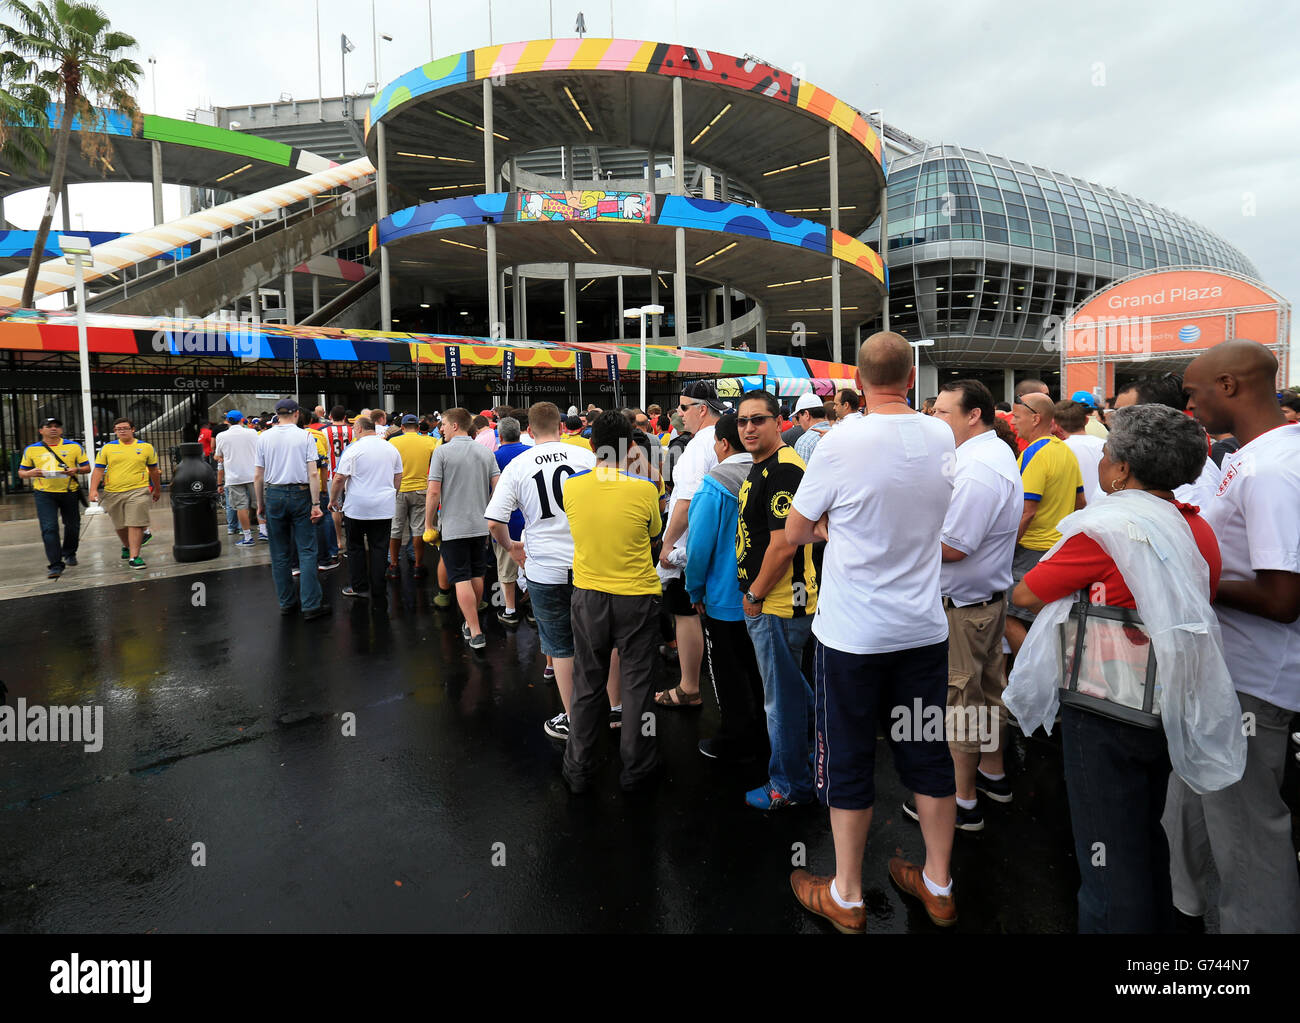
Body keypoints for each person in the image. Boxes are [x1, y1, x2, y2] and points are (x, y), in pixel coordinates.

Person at [1006, 403, 1244, 933]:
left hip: (1105, 703)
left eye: (1108, 454)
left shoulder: (1107, 530)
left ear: (1121, 470)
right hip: (1169, 702)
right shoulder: (1196, 528)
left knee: (1107, 853)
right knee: (1142, 831)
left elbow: (1025, 591)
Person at [786, 332, 957, 934]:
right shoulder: (941, 433)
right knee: (928, 751)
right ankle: (939, 885)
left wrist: (840, 529)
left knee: (849, 756)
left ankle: (848, 893)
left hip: (853, 635)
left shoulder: (840, 440)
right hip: (922, 629)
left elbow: (797, 526)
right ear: (913, 379)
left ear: (858, 382)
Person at [1164, 339, 1300, 933]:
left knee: (1247, 842)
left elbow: (1283, 597)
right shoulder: (1254, 458)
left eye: (1192, 393)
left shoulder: (1272, 470)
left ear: (1229, 386)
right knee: (1190, 817)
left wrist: (1189, 578)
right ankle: (1201, 918)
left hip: (1252, 686)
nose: (1189, 407)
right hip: (1224, 676)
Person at [927, 379, 1023, 831]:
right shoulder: (984, 455)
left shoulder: (979, 467)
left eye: (944, 412)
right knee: (985, 693)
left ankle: (963, 803)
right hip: (981, 601)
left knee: (962, 702)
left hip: (965, 606)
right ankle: (993, 774)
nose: (934, 418)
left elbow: (953, 546)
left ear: (974, 415)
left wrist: (899, 538)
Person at [561, 411, 663, 793]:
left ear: (591, 445)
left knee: (587, 683)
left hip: (588, 596)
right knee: (637, 686)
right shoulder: (644, 489)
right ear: (632, 445)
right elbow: (654, 532)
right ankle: (637, 768)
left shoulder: (572, 487)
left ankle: (578, 767)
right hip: (637, 597)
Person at [486, 402, 597, 738]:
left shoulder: (518, 465)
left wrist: (511, 547)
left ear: (529, 432)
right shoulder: (587, 458)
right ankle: (608, 705)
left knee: (560, 645)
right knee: (592, 639)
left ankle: (573, 719)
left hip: (545, 567)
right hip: (588, 563)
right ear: (562, 428)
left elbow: (494, 521)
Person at [733, 388, 820, 810]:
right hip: (776, 601)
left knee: (779, 701)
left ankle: (788, 787)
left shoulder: (784, 468)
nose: (748, 427)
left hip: (779, 603)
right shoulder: (765, 465)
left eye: (758, 419)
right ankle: (814, 757)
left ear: (778, 420)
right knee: (791, 690)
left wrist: (754, 594)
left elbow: (783, 545)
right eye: (743, 421)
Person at [684, 412, 765, 762]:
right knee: (763, 672)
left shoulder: (714, 485)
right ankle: (769, 733)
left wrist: (694, 590)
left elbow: (698, 548)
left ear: (722, 442)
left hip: (724, 599)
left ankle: (734, 738)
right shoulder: (772, 473)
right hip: (767, 595)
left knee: (729, 675)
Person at [655, 380, 725, 708]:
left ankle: (689, 687)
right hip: (720, 546)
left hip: (690, 547)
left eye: (683, 407)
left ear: (701, 409)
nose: (678, 414)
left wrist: (667, 545)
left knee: (686, 613)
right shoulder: (723, 440)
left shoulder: (699, 446)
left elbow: (686, 503)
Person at [1004, 392, 1084, 656]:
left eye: (1017, 416)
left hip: (1029, 551)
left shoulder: (1035, 455)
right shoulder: (1065, 450)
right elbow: (1080, 503)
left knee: (1008, 616)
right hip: (1054, 551)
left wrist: (1005, 551)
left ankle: (1031, 677)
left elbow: (1027, 512)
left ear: (1035, 418)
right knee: (1042, 619)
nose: (1013, 422)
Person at [425, 407, 499, 650]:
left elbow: (434, 491)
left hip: (454, 526)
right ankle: (471, 623)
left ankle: (475, 631)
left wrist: (429, 524)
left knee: (460, 578)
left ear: (455, 425)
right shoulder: (485, 452)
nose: (441, 429)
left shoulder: (442, 453)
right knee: (477, 574)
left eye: (443, 424)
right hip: (480, 525)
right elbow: (498, 487)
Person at [254, 398, 330, 620]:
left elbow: (258, 474)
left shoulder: (264, 437)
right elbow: (313, 473)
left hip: (274, 493)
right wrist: (316, 504)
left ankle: (286, 602)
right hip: (300, 493)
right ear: (297, 414)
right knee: (306, 550)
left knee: (279, 553)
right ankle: (310, 605)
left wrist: (260, 504)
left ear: (277, 414)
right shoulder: (305, 436)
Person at [1114, 374, 1222, 508]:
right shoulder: (1139, 460)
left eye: (1125, 414)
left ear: (1158, 417)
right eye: (1115, 413)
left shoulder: (1191, 475)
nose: (1114, 422)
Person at [330, 416, 403, 602]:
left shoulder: (354, 449)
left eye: (354, 428)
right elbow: (398, 475)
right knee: (379, 548)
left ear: (360, 429)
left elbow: (339, 478)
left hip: (357, 506)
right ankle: (379, 589)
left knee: (355, 547)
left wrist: (333, 500)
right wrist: (392, 494)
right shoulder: (390, 448)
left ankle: (359, 586)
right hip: (383, 507)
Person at [19, 417, 90, 579]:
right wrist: (30, 473)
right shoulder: (31, 449)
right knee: (49, 528)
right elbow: (21, 472)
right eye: (48, 426)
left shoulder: (73, 447)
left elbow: (87, 467)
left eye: (57, 426)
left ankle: (70, 552)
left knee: (73, 526)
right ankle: (56, 564)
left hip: (69, 491)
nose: (53, 429)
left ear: (61, 430)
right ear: (41, 430)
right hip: (44, 494)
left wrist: (76, 470)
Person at [88, 417, 160, 571]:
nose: (121, 431)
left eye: (125, 428)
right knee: (120, 525)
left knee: (135, 523)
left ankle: (135, 557)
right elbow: (99, 469)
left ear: (132, 429)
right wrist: (93, 489)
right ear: (114, 431)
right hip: (113, 492)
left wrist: (157, 489)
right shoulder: (107, 448)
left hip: (138, 490)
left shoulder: (146, 447)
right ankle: (127, 546)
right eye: (118, 429)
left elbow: (154, 470)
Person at [489, 417, 530, 625]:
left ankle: (510, 609)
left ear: (501, 436)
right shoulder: (530, 453)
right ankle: (532, 608)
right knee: (530, 564)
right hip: (529, 518)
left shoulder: (494, 457)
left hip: (504, 519)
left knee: (506, 568)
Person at [388, 414, 439, 581]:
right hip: (421, 490)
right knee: (418, 529)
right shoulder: (429, 442)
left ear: (402, 427)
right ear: (418, 427)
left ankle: (394, 565)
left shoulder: (393, 442)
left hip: (399, 490)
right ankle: (418, 565)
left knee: (395, 529)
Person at [214, 410, 260, 547]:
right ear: (242, 420)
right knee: (259, 504)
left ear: (227, 421)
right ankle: (265, 532)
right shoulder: (252, 432)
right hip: (253, 474)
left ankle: (247, 537)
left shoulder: (221, 436)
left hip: (234, 476)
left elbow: (218, 455)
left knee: (241, 507)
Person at [1054, 399, 1106, 504]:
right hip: (1104, 507)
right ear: (1087, 420)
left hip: (1075, 510)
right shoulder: (1106, 445)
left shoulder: (1059, 450)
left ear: (1058, 427)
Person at [322, 406, 352, 554]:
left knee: (335, 508)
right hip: (351, 475)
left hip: (331, 474)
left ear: (330, 417)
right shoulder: (353, 430)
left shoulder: (324, 432)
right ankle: (351, 540)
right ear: (345, 417)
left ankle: (338, 540)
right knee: (351, 509)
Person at [792, 392, 833, 463]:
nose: (799, 421)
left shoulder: (805, 442)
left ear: (806, 414)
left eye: (798, 417)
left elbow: (802, 472)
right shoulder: (837, 433)